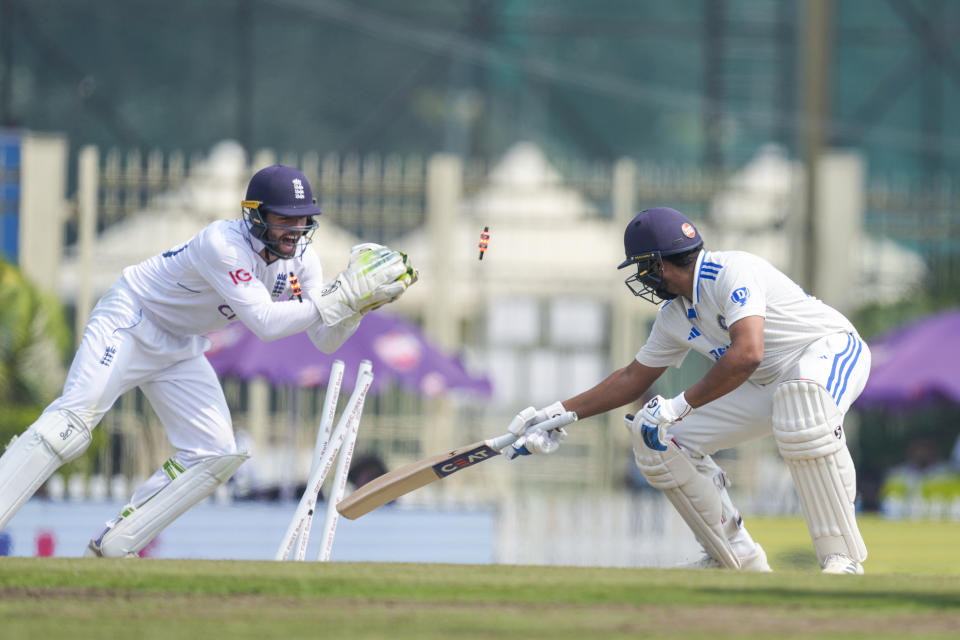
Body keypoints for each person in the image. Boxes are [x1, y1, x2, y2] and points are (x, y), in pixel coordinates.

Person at [0, 165, 417, 557]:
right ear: (255, 216)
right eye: (285, 219)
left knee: (214, 454)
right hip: (131, 320)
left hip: (180, 344)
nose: (295, 229)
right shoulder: (222, 244)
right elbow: (266, 323)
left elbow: (324, 338)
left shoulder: (302, 260)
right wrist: (340, 295)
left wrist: (357, 307)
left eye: (302, 219)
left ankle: (113, 544)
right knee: (69, 429)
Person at [505, 207, 871, 575]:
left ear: (658, 264)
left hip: (829, 351)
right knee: (661, 440)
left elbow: (747, 354)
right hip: (768, 383)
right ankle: (737, 557)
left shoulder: (731, 272)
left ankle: (842, 558)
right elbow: (633, 378)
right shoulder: (675, 315)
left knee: (803, 409)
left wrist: (679, 404)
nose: (641, 278)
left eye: (642, 267)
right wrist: (555, 414)